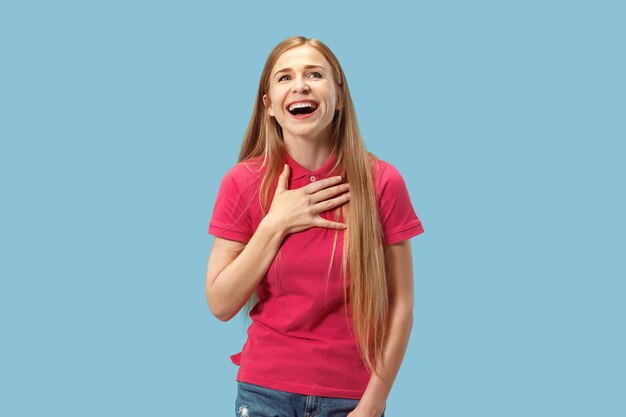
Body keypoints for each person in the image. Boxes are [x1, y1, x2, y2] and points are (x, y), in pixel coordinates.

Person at [206, 35, 425, 417]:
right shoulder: (241, 182)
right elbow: (221, 303)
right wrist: (276, 222)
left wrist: (372, 405)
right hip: (264, 393)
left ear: (339, 97)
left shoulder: (383, 182)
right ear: (269, 105)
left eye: (314, 74)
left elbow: (401, 306)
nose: (300, 85)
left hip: (351, 397)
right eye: (284, 77)